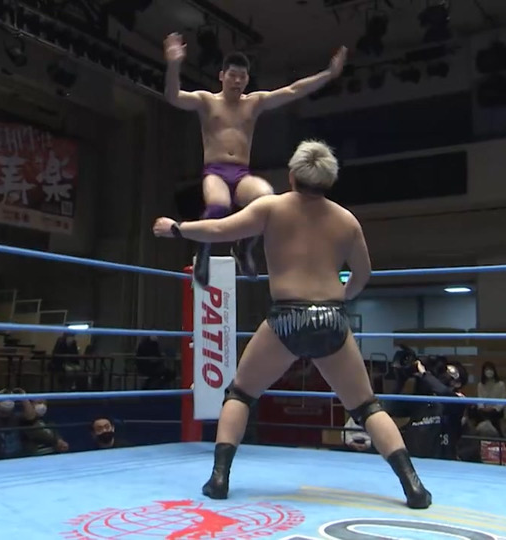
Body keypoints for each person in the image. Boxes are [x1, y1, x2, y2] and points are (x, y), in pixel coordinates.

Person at [152, 140, 431, 509]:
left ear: (292, 175)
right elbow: (363, 274)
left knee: (240, 394)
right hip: (331, 318)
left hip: (287, 317)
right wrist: (342, 297)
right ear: (329, 179)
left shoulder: (272, 207)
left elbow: (219, 230)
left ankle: (219, 478)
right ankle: (413, 486)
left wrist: (177, 228)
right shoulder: (347, 220)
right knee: (366, 407)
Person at [163, 32, 347, 287]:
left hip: (241, 174)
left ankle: (244, 248)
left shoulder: (255, 102)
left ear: (247, 79)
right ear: (222, 76)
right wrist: (174, 65)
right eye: (232, 75)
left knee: (267, 199)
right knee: (218, 206)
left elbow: (294, 90)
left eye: (242, 76)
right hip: (215, 172)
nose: (237, 81)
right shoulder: (206, 101)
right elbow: (173, 96)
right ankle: (203, 254)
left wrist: (328, 74)